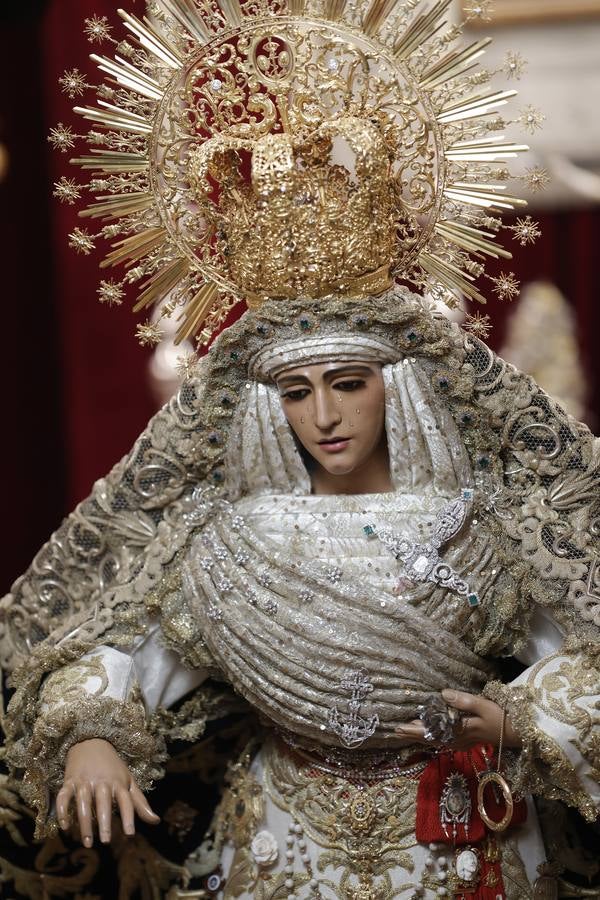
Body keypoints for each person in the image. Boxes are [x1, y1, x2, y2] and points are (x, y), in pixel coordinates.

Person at [1, 1, 599, 898]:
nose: (324, 415)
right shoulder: (231, 544)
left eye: (349, 384)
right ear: (264, 405)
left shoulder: (482, 523)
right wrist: (91, 736)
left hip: (466, 839)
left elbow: (582, 650)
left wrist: (522, 721)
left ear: (397, 389)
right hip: (282, 842)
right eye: (294, 391)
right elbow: (121, 654)